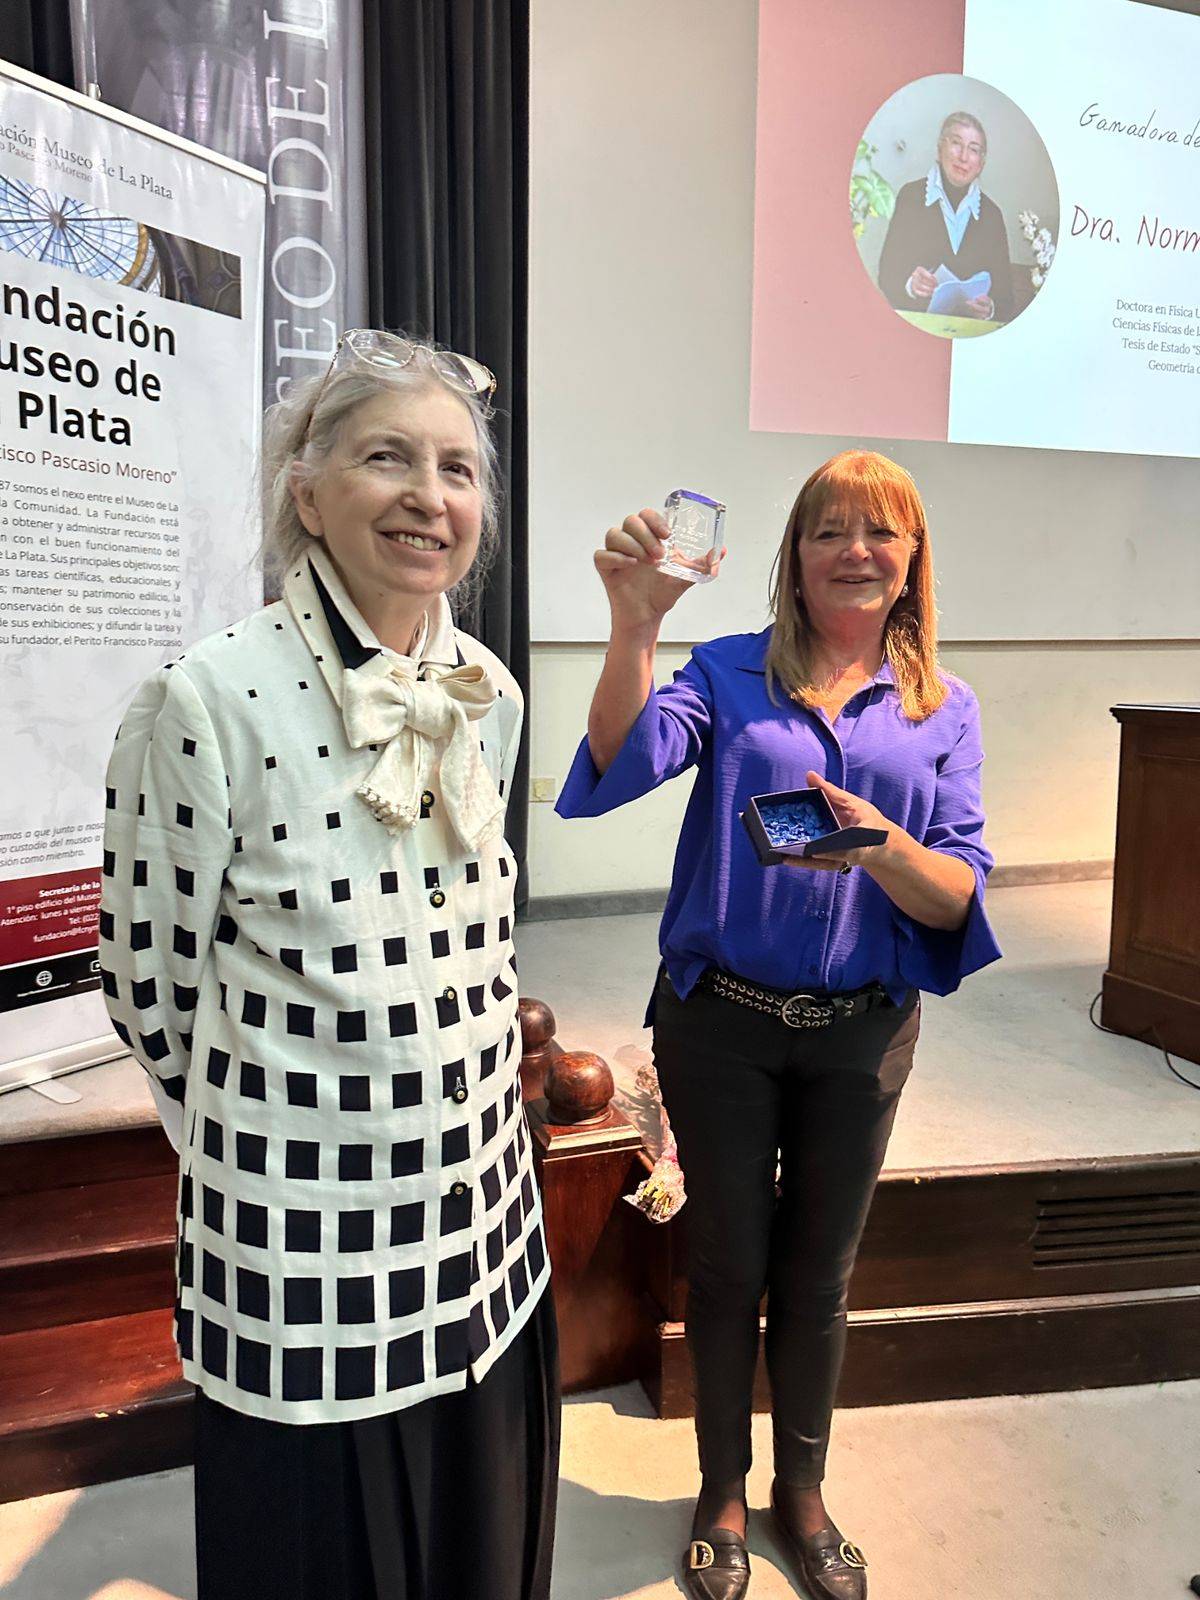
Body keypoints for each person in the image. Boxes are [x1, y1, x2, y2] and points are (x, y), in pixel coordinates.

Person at [99, 330, 557, 1600]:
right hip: (307, 1265)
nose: (430, 496)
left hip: (485, 1241)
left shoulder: (490, 691)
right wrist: (279, 1133)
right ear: (308, 495)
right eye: (387, 458)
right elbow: (149, 988)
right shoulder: (206, 699)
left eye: (458, 469)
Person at [556, 450, 1001, 1600]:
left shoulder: (943, 708)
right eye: (827, 530)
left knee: (820, 1273)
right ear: (792, 557)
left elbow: (956, 893)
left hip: (862, 1034)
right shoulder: (728, 671)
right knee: (726, 1262)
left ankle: (802, 1493)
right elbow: (618, 763)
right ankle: (720, 1488)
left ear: (912, 559)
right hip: (722, 1026)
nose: (854, 550)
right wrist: (634, 623)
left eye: (880, 531)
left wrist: (880, 845)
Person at [877, 111, 1013, 323]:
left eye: (974, 149)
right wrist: (911, 285)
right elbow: (887, 274)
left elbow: (1005, 296)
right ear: (940, 149)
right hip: (917, 328)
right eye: (956, 143)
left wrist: (990, 309)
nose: (963, 157)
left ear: (981, 163)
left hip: (969, 335)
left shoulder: (992, 215)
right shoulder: (911, 196)